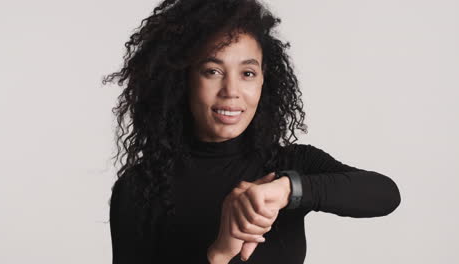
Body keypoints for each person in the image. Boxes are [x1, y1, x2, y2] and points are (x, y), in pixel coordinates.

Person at [102, 0, 402, 263]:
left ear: (263, 80)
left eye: (247, 73)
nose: (231, 91)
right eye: (212, 71)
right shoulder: (140, 187)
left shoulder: (288, 164)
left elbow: (385, 193)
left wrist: (287, 190)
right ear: (183, 80)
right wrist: (219, 253)